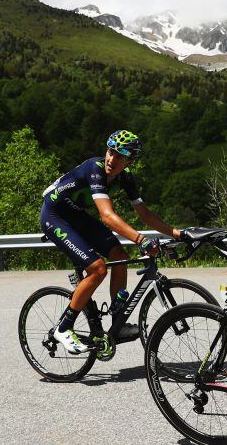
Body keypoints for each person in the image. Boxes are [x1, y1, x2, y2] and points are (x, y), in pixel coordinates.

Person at [41, 130, 185, 354]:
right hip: (54, 216)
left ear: (129, 161)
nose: (112, 159)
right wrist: (141, 239)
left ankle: (117, 324)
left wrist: (177, 234)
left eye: (119, 156)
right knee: (97, 268)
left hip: (76, 216)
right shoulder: (95, 169)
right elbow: (107, 216)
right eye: (110, 152)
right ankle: (64, 328)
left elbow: (144, 215)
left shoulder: (125, 178)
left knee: (119, 256)